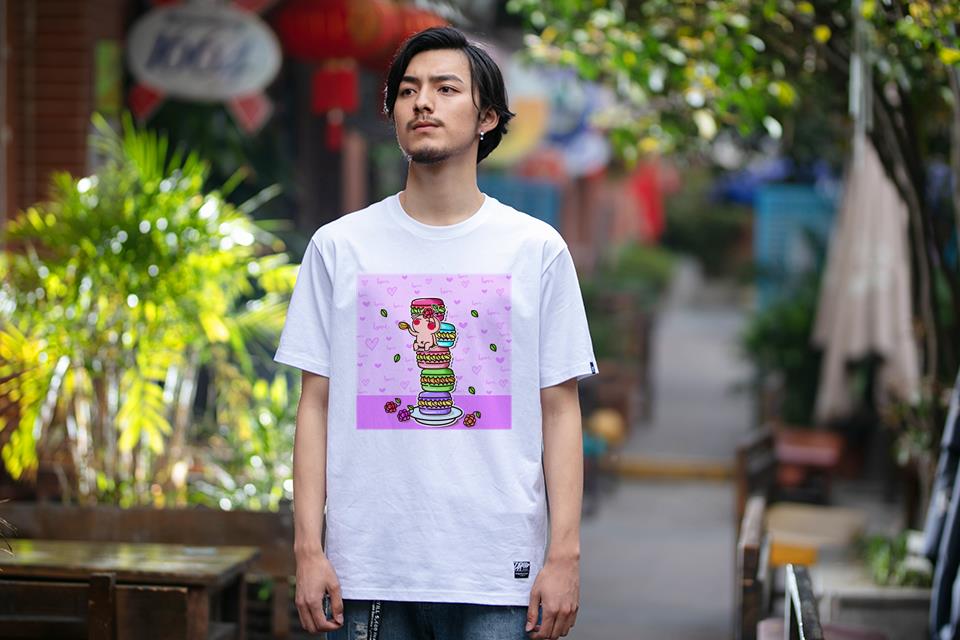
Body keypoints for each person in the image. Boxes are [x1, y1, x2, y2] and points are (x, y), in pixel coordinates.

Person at [275, 26, 598, 640]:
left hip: (497, 575)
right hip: (368, 572)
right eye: (407, 90)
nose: (422, 102)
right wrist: (308, 549)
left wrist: (564, 556)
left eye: (446, 88)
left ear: (487, 118)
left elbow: (560, 410)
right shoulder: (339, 247)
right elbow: (314, 405)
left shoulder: (535, 250)